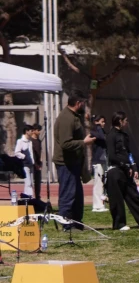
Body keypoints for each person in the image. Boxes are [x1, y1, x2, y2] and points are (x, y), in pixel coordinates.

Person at [104, 111, 139, 231]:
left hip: (127, 171)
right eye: (126, 120)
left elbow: (129, 153)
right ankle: (119, 224)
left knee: (134, 197)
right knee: (117, 200)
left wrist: (134, 167)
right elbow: (112, 156)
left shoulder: (125, 136)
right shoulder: (111, 136)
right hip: (115, 171)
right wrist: (125, 166)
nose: (127, 123)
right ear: (120, 121)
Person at [52, 93, 93, 229]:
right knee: (68, 194)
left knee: (77, 195)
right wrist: (84, 142)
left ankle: (76, 223)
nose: (84, 106)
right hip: (66, 163)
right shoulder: (66, 118)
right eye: (83, 103)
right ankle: (66, 225)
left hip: (74, 162)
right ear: (78, 103)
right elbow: (65, 143)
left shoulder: (74, 117)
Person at [12, 123, 42, 202]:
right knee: (28, 182)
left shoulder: (30, 141)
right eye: (30, 131)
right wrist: (24, 157)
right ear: (26, 131)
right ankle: (29, 198)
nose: (32, 132)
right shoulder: (20, 141)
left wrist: (33, 162)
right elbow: (17, 152)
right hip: (25, 164)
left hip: (31, 164)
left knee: (31, 182)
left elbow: (32, 153)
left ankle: (28, 198)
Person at [89, 115, 108, 213]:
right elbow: (101, 137)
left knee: (103, 183)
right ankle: (96, 205)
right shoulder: (96, 131)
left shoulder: (100, 131)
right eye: (102, 121)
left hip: (103, 160)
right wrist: (99, 126)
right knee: (98, 183)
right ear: (96, 122)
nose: (104, 123)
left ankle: (101, 203)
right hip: (98, 161)